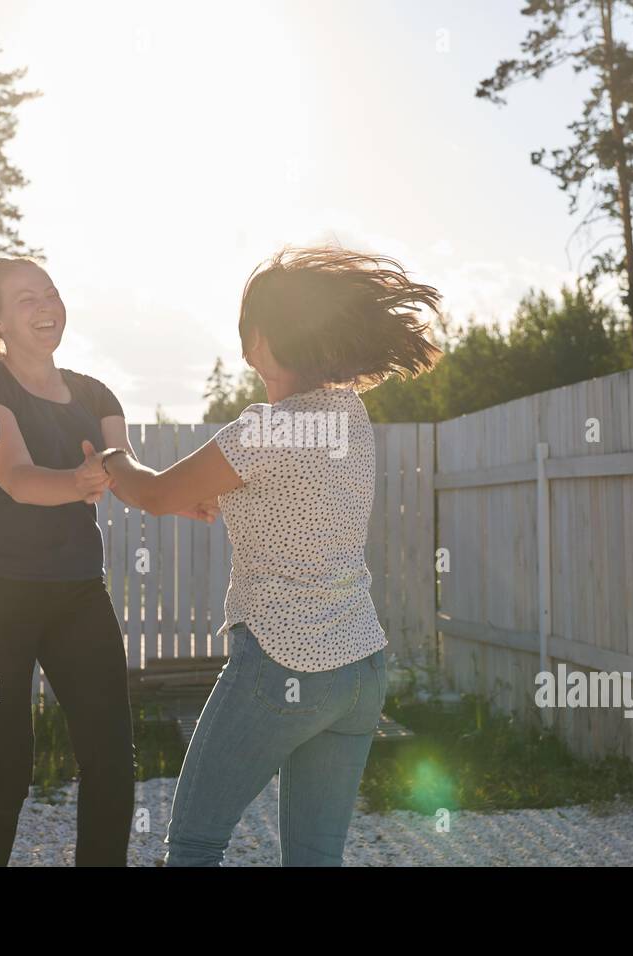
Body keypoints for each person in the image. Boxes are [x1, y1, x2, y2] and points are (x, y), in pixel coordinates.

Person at [98, 246, 441, 865]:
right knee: (315, 857)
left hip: (284, 661)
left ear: (260, 337)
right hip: (358, 668)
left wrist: (111, 453)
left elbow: (150, 493)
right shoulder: (349, 417)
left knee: (196, 842)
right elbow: (296, 501)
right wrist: (215, 499)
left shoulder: (265, 429)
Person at [0, 255, 213, 866]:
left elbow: (125, 470)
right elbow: (19, 479)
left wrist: (169, 497)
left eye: (50, 292)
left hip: (75, 594)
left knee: (111, 759)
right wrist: (81, 479)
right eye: (26, 298)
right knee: (7, 767)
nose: (44, 305)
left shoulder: (94, 393)